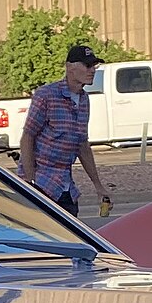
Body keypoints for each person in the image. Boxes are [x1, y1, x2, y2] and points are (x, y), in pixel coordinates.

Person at [18, 43, 112, 217]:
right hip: (42, 183)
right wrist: (30, 183)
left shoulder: (84, 100)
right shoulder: (46, 95)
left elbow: (82, 145)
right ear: (70, 67)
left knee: (71, 236)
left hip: (65, 185)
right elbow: (27, 137)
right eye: (87, 65)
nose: (92, 70)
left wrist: (99, 186)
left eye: (94, 66)